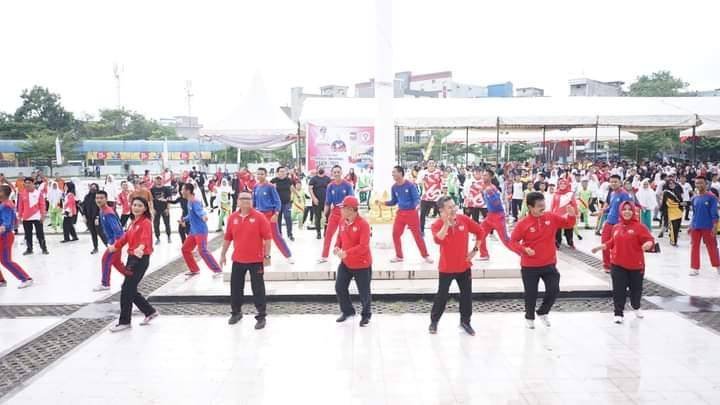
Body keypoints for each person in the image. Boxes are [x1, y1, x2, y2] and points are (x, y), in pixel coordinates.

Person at [510, 192, 576, 329]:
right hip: (530, 266)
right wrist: (524, 249)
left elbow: (568, 224)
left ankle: (543, 312)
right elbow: (513, 242)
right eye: (539, 206)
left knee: (554, 290)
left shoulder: (551, 217)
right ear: (530, 207)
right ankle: (529, 317)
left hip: (549, 264)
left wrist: (571, 214)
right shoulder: (523, 223)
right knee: (531, 294)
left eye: (543, 204)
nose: (543, 208)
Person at [429, 196, 484, 336]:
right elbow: (438, 239)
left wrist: (475, 250)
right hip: (446, 267)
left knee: (466, 295)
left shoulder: (463, 219)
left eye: (454, 206)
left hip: (464, 266)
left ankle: (465, 321)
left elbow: (480, 231)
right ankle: (434, 321)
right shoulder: (436, 225)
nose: (453, 209)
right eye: (449, 207)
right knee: (442, 295)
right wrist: (446, 224)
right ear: (441, 210)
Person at [591, 202, 655, 324]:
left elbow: (649, 239)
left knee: (636, 290)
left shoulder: (640, 227)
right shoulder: (616, 227)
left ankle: (636, 306)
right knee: (618, 290)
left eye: (629, 209)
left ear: (633, 212)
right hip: (617, 264)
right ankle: (618, 313)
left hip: (636, 265)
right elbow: (612, 242)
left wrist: (648, 244)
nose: (627, 212)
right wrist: (601, 247)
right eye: (624, 209)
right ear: (620, 211)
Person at [220, 190, 271, 329]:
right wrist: (223, 254)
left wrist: (267, 256)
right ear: (238, 201)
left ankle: (261, 316)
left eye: (248, 199)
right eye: (243, 198)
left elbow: (267, 238)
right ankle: (236, 312)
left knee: (258, 289)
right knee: (236, 288)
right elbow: (227, 238)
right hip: (238, 259)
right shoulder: (232, 218)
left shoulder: (259, 217)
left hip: (256, 260)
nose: (246, 201)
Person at [107, 197, 158, 332]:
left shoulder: (146, 222)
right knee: (129, 288)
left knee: (127, 290)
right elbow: (125, 237)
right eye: (134, 205)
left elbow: (145, 238)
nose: (136, 208)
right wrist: (115, 247)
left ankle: (124, 322)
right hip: (132, 257)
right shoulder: (133, 222)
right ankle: (149, 311)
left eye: (140, 206)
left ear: (145, 208)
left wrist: (140, 248)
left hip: (140, 259)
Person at [333, 196, 372, 327]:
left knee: (364, 292)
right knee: (339, 287)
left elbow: (363, 246)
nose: (341, 210)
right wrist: (337, 246)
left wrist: (347, 252)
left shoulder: (363, 225)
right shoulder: (342, 221)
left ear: (351, 209)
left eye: (343, 208)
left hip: (362, 264)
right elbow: (340, 237)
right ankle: (347, 311)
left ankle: (366, 315)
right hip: (346, 263)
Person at [384, 166, 432, 264]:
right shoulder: (394, 187)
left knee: (417, 235)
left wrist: (417, 205)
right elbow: (394, 201)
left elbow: (416, 199)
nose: (392, 174)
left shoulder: (410, 185)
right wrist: (383, 203)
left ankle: (426, 255)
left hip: (411, 213)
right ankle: (399, 256)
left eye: (394, 172)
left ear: (401, 173)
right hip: (400, 213)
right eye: (392, 173)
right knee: (395, 234)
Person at [180, 183, 223, 277]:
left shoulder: (195, 201)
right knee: (185, 249)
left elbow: (200, 211)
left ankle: (218, 270)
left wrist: (204, 216)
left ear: (188, 191)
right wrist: (184, 219)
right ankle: (194, 269)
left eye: (182, 189)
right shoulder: (189, 201)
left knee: (202, 251)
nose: (181, 191)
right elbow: (191, 215)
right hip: (193, 231)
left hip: (200, 231)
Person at [253, 168, 294, 263]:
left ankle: (288, 256)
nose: (259, 176)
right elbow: (253, 202)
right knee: (259, 238)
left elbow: (277, 201)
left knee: (276, 236)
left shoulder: (270, 186)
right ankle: (262, 258)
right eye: (258, 174)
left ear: (266, 175)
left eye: (262, 174)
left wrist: (276, 214)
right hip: (259, 216)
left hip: (269, 215)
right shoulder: (256, 186)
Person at [0, 185, 33, 289]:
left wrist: (3, 227)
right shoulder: (4, 204)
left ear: (3, 193)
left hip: (5, 236)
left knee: (6, 261)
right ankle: (1, 280)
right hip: (4, 235)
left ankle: (26, 278)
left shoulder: (6, 206)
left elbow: (7, 224)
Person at [319, 165, 353, 263]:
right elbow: (327, 203)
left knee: (344, 235)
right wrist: (323, 215)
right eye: (335, 172)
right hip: (334, 213)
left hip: (345, 213)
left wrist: (350, 214)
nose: (337, 174)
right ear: (332, 173)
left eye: (338, 172)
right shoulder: (330, 186)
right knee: (328, 234)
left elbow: (351, 200)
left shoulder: (347, 185)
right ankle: (324, 256)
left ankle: (346, 255)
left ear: (341, 173)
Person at [94, 190, 127, 292]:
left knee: (106, 260)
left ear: (106, 199)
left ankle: (105, 283)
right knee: (117, 263)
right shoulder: (102, 210)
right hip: (114, 241)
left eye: (101, 198)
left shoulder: (108, 212)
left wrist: (115, 244)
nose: (99, 200)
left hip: (116, 242)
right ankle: (132, 277)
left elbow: (117, 229)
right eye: (97, 198)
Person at [476, 170, 513, 261]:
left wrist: (488, 194)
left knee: (506, 240)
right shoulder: (486, 188)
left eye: (486, 175)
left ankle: (524, 253)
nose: (483, 177)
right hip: (490, 216)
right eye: (483, 175)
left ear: (491, 177)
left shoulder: (491, 188)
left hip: (497, 216)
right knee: (480, 234)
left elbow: (497, 202)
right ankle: (484, 254)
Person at [600, 175, 633, 271]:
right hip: (609, 222)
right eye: (612, 182)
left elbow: (628, 209)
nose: (613, 183)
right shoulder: (612, 193)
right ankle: (607, 266)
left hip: (618, 225)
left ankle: (619, 266)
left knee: (618, 246)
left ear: (620, 182)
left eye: (615, 182)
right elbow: (611, 207)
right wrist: (603, 211)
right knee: (604, 243)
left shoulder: (624, 194)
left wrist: (624, 224)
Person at [688, 177, 720, 276]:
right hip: (695, 226)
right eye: (697, 183)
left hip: (708, 226)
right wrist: (690, 225)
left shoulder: (712, 197)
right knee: (694, 246)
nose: (699, 185)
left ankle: (717, 265)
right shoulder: (694, 198)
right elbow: (694, 213)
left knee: (712, 246)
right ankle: (694, 268)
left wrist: (715, 226)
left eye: (701, 183)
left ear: (706, 184)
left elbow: (714, 213)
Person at [17, 177, 49, 255]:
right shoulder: (21, 194)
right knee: (28, 235)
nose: (27, 184)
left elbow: (42, 205)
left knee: (40, 234)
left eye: (29, 183)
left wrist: (43, 215)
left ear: (33, 183)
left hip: (37, 217)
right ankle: (29, 249)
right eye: (26, 183)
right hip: (26, 218)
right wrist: (19, 217)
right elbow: (20, 206)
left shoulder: (38, 193)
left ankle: (44, 249)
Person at [271, 166, 295, 241]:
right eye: (281, 171)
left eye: (284, 171)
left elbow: (292, 189)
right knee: (278, 219)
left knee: (288, 217)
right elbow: (270, 192)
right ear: (277, 172)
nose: (283, 173)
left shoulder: (288, 180)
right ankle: (279, 234)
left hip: (287, 202)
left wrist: (296, 196)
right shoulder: (273, 181)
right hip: (277, 204)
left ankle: (290, 234)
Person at [419, 160, 443, 235]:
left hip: (437, 197)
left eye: (433, 163)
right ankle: (421, 230)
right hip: (425, 196)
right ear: (427, 165)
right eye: (430, 163)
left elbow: (443, 182)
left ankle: (444, 229)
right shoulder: (423, 172)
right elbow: (418, 182)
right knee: (422, 214)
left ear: (435, 164)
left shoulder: (439, 172)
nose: (431, 164)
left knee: (441, 213)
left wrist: (442, 193)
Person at [552, 179, 578, 248]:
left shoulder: (570, 194)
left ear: (567, 185)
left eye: (564, 184)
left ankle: (570, 243)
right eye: (561, 184)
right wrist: (551, 213)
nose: (562, 185)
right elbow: (553, 205)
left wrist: (576, 213)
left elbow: (574, 204)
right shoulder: (556, 193)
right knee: (557, 230)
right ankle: (557, 243)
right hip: (557, 214)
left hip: (567, 214)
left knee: (569, 229)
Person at [82, 183, 107, 254]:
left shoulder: (98, 197)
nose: (93, 189)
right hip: (89, 218)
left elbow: (101, 208)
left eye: (94, 187)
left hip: (97, 218)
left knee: (101, 233)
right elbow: (84, 207)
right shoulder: (87, 197)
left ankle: (108, 246)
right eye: (92, 187)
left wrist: (97, 217)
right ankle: (95, 248)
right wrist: (84, 215)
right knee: (93, 234)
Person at [308, 168, 330, 240]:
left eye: (322, 167)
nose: (321, 169)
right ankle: (318, 233)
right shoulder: (313, 179)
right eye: (319, 168)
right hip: (316, 201)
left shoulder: (328, 179)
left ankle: (326, 232)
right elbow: (310, 189)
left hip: (326, 201)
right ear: (317, 170)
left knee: (327, 217)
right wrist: (314, 198)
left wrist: (330, 200)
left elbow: (330, 189)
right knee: (318, 217)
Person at [150, 176, 172, 245]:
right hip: (156, 209)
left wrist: (167, 208)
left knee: (167, 223)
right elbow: (151, 200)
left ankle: (169, 236)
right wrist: (152, 209)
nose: (159, 181)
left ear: (162, 180)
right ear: (155, 181)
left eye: (160, 179)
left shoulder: (166, 189)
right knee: (156, 224)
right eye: (157, 179)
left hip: (164, 209)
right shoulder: (152, 190)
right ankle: (158, 238)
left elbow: (169, 199)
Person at [661, 179, 683, 246]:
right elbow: (669, 203)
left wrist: (681, 204)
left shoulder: (677, 191)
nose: (671, 185)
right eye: (670, 184)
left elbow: (681, 200)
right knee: (673, 227)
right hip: (671, 212)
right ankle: (673, 241)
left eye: (673, 183)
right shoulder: (666, 192)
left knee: (677, 228)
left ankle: (675, 240)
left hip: (679, 211)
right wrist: (680, 204)